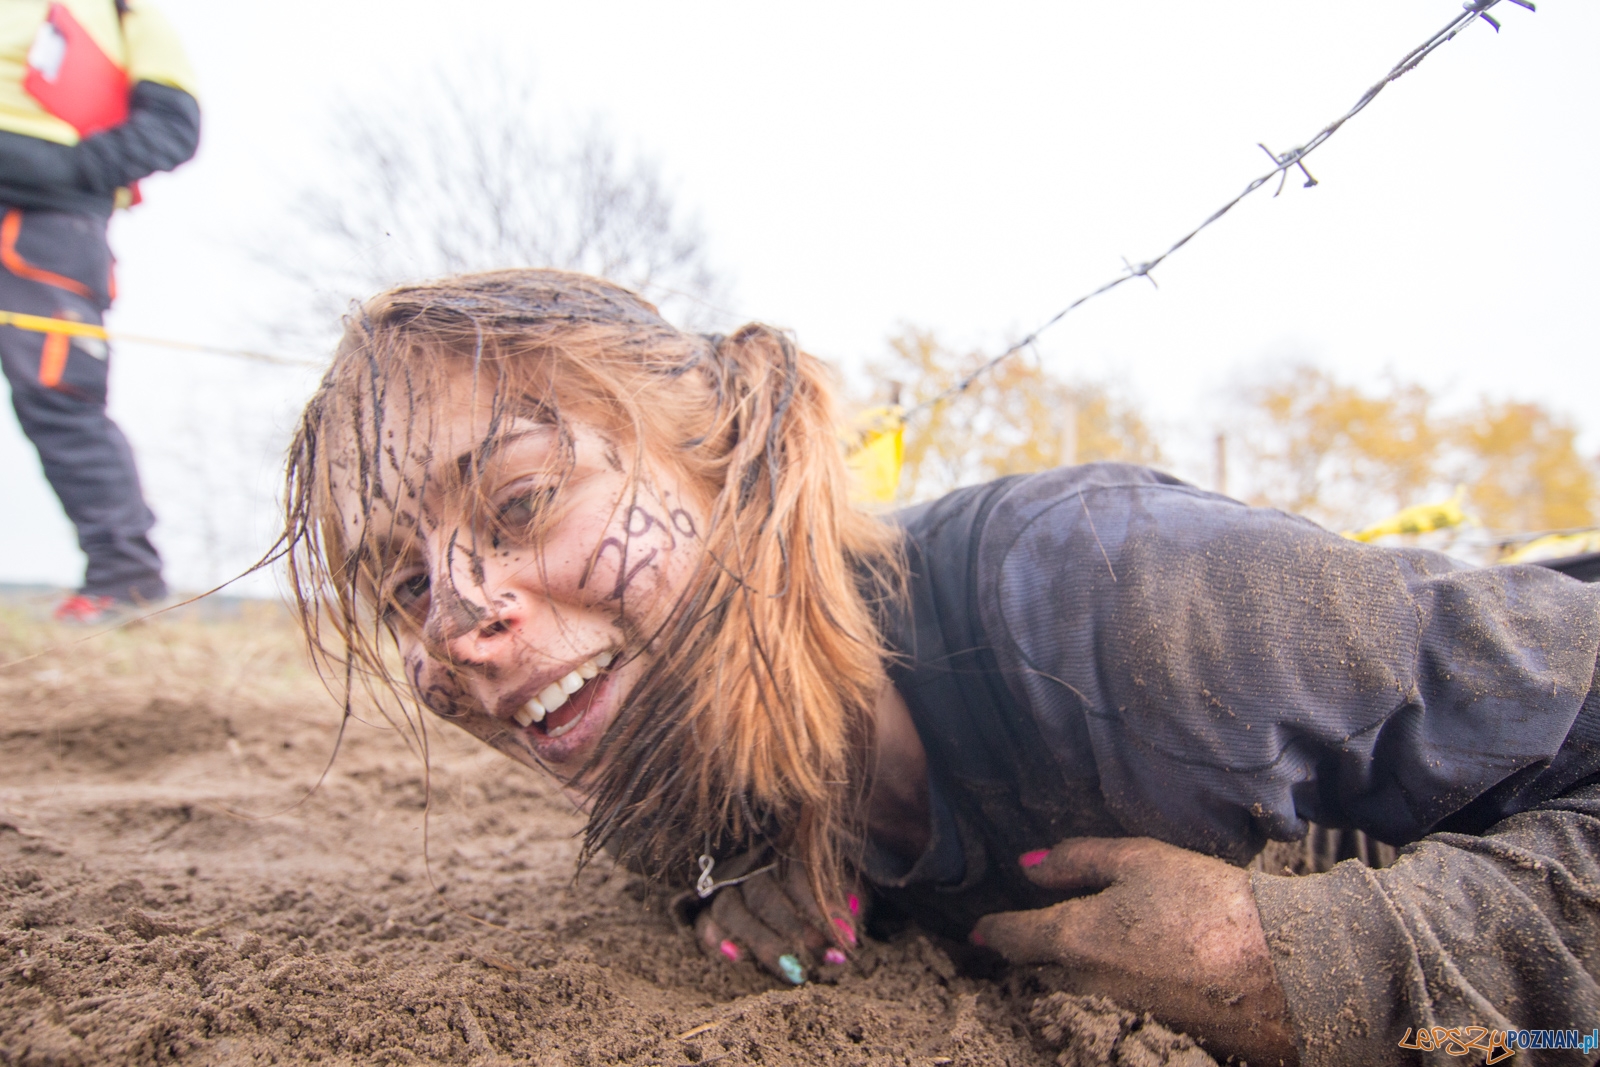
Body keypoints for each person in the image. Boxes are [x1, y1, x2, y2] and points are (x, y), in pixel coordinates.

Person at [281, 270, 1600, 1066]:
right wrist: (729, 871)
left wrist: (1339, 967)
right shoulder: (663, 772)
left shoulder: (1119, 601)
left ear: (728, 452)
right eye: (403, 582)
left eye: (519, 500)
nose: (452, 624)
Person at [0, 0, 200, 622]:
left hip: (43, 228)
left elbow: (173, 125)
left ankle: (125, 580)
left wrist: (66, 173)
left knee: (60, 394)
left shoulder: (124, 13)